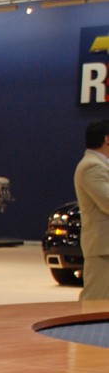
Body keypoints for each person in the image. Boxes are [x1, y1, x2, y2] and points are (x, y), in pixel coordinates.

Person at [75, 120, 109, 302]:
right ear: (107, 139)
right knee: (96, 302)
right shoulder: (92, 166)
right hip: (103, 248)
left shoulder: (101, 165)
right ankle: (87, 332)